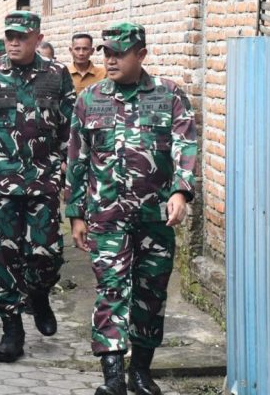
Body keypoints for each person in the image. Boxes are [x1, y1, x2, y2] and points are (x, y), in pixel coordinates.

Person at [66, 23, 197, 395]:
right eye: (106, 53)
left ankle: (140, 370)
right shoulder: (89, 99)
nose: (110, 60)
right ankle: (111, 377)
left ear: (140, 54)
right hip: (106, 216)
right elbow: (77, 159)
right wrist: (75, 212)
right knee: (111, 288)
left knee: (150, 291)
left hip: (155, 217)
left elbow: (184, 145)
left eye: (119, 54)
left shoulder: (168, 95)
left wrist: (181, 192)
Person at [0, 11, 75, 363]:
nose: (13, 42)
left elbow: (70, 131)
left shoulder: (56, 76)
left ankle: (38, 294)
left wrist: (65, 171)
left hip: (43, 182)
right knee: (3, 256)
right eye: (10, 35)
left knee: (47, 255)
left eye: (22, 36)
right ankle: (12, 330)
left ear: (38, 39)